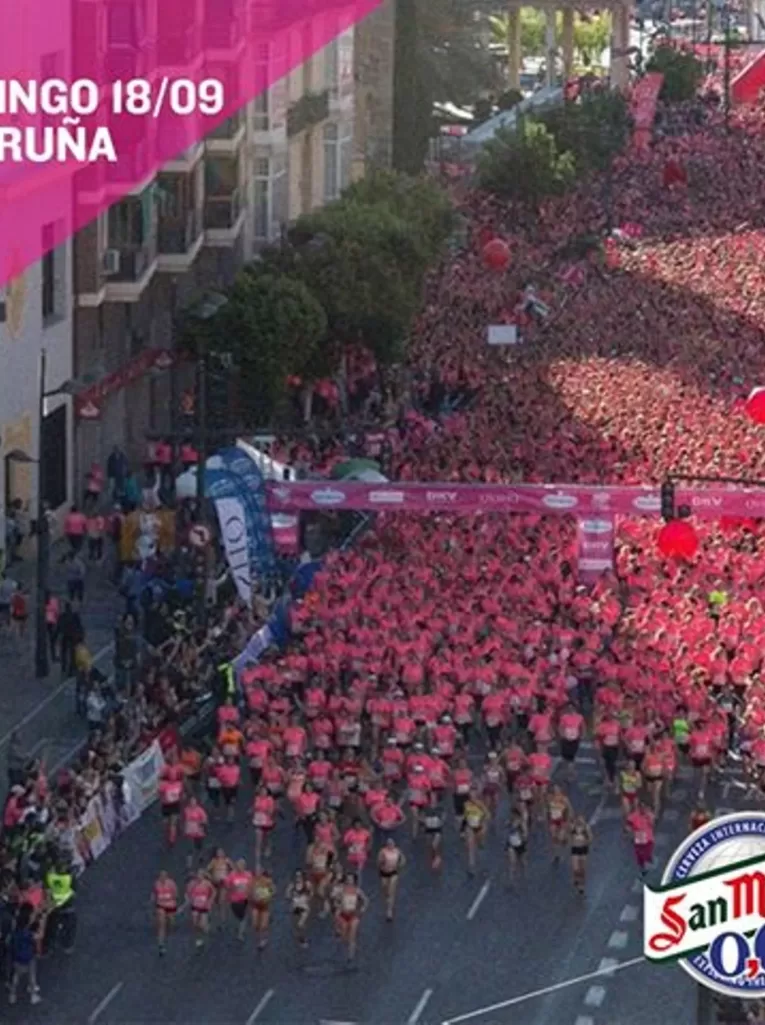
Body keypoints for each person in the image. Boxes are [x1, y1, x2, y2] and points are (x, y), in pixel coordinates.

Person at [8, 904, 41, 1006]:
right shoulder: (28, 933)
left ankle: (12, 995)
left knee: (16, 976)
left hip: (17, 957)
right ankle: (33, 995)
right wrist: (41, 920)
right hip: (28, 957)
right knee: (31, 976)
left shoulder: (15, 930)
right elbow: (39, 936)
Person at [335, 872, 369, 963]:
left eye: (351, 879)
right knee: (344, 937)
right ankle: (352, 946)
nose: (349, 881)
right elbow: (336, 900)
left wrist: (362, 909)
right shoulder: (342, 890)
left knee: (352, 936)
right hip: (343, 915)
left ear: (354, 881)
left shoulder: (357, 890)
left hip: (354, 915)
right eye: (348, 879)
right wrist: (338, 907)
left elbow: (365, 900)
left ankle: (351, 956)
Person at [377, 838, 405, 921]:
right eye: (389, 844)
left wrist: (399, 866)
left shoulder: (397, 851)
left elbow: (403, 860)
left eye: (392, 844)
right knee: (385, 888)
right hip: (384, 873)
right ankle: (388, 900)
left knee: (391, 891)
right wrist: (382, 864)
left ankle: (389, 911)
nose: (390, 845)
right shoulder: (382, 851)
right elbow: (378, 862)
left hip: (393, 873)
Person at [186, 868, 215, 949]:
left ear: (203, 876)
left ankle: (203, 935)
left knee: (202, 925)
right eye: (198, 875)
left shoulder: (207, 884)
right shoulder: (192, 884)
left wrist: (210, 901)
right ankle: (198, 938)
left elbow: (213, 892)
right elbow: (188, 892)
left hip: (204, 906)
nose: (199, 877)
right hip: (195, 905)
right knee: (195, 923)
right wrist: (190, 899)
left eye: (201, 875)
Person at [152, 869, 178, 955]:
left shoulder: (171, 883)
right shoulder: (157, 884)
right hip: (160, 905)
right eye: (161, 876)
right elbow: (154, 893)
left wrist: (170, 899)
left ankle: (168, 932)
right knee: (161, 924)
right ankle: (161, 944)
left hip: (170, 905)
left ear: (167, 877)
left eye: (164, 876)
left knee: (171, 922)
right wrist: (153, 900)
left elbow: (175, 894)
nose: (162, 878)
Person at [286, 869, 313, 949]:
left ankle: (303, 940)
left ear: (302, 876)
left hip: (304, 907)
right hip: (295, 907)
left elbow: (311, 892)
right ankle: (300, 938)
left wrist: (308, 898)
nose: (298, 877)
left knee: (300, 924)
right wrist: (291, 897)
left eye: (299, 876)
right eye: (296, 876)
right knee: (297, 926)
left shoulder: (307, 884)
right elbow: (287, 894)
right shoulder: (292, 885)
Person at [251, 867, 276, 951]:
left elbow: (273, 891)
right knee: (255, 925)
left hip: (265, 904)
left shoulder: (267, 881)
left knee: (263, 926)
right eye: (256, 872)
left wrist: (268, 896)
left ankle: (262, 940)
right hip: (255, 904)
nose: (257, 873)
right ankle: (259, 938)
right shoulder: (253, 881)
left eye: (259, 872)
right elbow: (250, 891)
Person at [569, 814, 593, 895]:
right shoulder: (573, 828)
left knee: (582, 869)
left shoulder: (586, 828)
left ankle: (582, 885)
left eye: (581, 820)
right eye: (578, 820)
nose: (579, 821)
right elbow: (569, 835)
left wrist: (585, 842)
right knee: (576, 869)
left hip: (583, 849)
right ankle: (576, 877)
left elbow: (590, 838)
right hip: (575, 849)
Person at [506, 807, 528, 886]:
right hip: (511, 844)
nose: (512, 816)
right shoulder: (510, 822)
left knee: (522, 862)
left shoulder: (522, 823)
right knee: (512, 863)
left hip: (520, 844)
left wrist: (522, 835)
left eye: (514, 815)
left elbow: (525, 834)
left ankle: (523, 876)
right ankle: (511, 880)